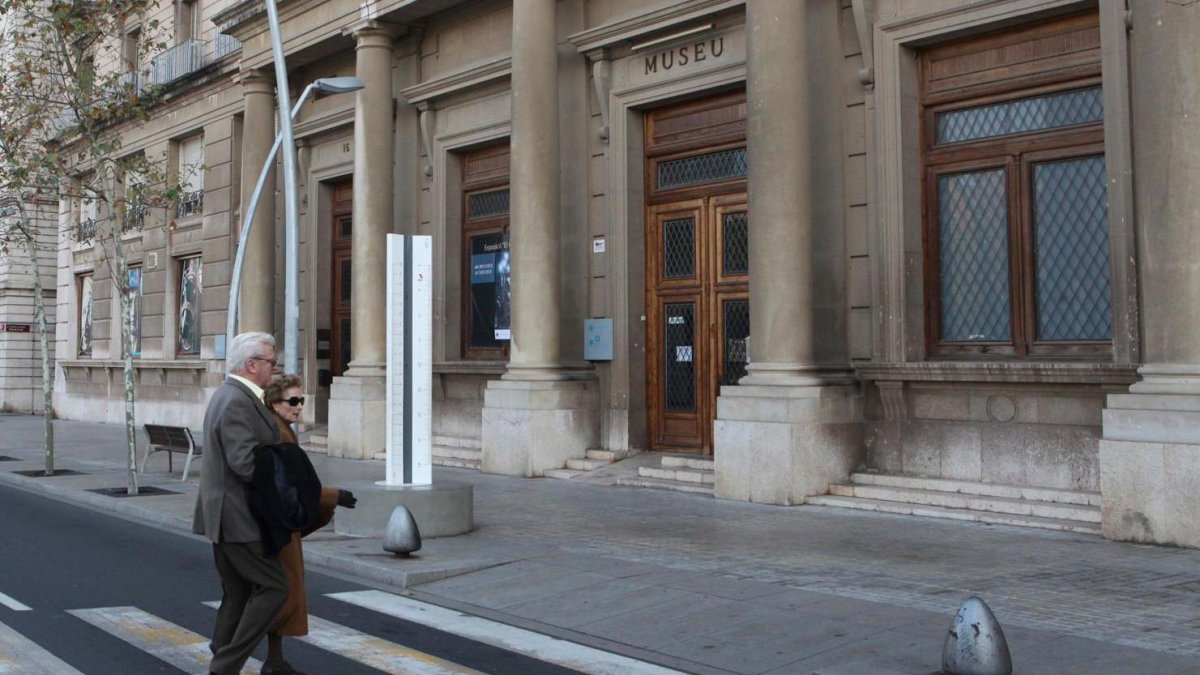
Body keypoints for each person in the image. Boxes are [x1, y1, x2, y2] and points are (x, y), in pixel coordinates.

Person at [192, 332, 290, 675]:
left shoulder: (232, 395)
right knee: (275, 587)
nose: (274, 370)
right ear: (252, 365)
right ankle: (226, 663)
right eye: (271, 363)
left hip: (225, 515)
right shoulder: (236, 400)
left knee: (237, 592)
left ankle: (221, 651)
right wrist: (285, 478)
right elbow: (245, 463)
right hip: (238, 517)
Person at [260, 374, 355, 675]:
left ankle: (274, 660)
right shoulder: (276, 434)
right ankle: (243, 655)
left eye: (301, 400)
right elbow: (290, 485)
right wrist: (332, 496)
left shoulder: (282, 430)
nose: (299, 406)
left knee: (283, 590)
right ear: (275, 403)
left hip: (282, 525)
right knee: (281, 591)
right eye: (293, 401)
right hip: (277, 528)